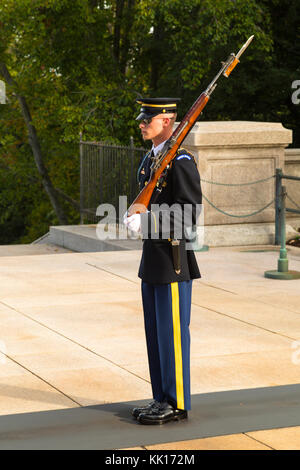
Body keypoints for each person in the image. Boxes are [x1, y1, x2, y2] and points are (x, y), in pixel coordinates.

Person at [123, 97, 202, 425]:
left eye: (148, 120)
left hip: (173, 262)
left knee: (172, 334)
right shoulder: (149, 160)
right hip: (153, 261)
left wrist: (148, 221)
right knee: (155, 334)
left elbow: (189, 214)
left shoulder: (180, 161)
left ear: (167, 122)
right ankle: (161, 397)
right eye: (142, 119)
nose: (141, 124)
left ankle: (176, 401)